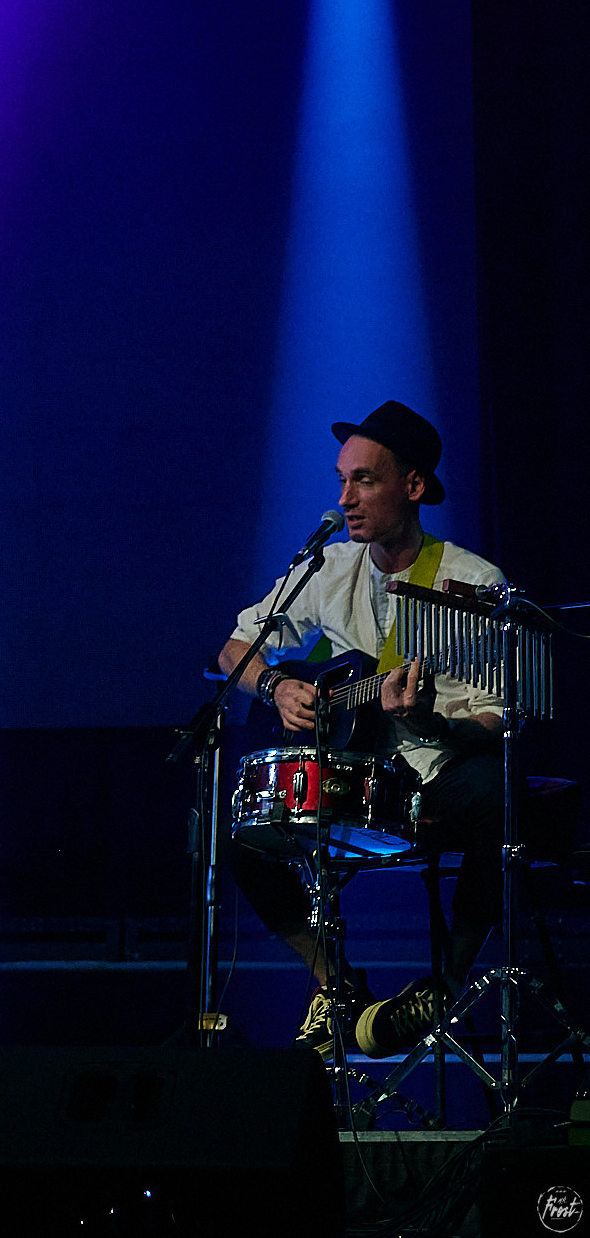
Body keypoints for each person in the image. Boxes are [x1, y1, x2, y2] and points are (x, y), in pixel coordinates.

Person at [219, 400, 505, 1060]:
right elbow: (235, 648)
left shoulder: (473, 583)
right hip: (356, 774)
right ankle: (337, 982)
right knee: (240, 829)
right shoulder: (327, 567)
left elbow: (493, 721)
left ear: (413, 486)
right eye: (342, 481)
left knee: (497, 793)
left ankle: (445, 984)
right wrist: (278, 685)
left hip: (437, 774)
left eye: (365, 481)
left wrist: (428, 716)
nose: (346, 499)